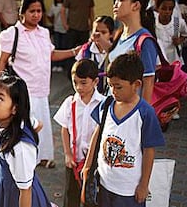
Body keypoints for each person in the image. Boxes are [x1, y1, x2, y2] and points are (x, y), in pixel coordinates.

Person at [0, 0, 79, 168]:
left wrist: (74, 51)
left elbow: (51, 55)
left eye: (39, 11)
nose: (36, 15)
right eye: (32, 11)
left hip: (41, 89)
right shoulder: (12, 34)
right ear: (22, 13)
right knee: (22, 126)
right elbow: (1, 62)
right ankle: (22, 160)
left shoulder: (44, 33)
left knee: (42, 123)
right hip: (22, 91)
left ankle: (43, 157)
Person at [83, 52, 165, 207]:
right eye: (110, 85)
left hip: (128, 190)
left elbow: (149, 151)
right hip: (103, 183)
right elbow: (97, 134)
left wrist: (143, 185)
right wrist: (88, 166)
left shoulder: (145, 113)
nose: (113, 91)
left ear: (136, 85)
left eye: (119, 87)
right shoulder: (106, 105)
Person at [0, 74, 53, 207]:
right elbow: (38, 124)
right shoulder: (11, 123)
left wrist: (27, 143)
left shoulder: (20, 147)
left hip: (20, 198)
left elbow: (25, 190)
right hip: (7, 188)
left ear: (15, 108)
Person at [53, 59, 105, 207]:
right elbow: (65, 129)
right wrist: (67, 154)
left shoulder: (103, 103)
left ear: (95, 81)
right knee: (71, 197)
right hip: (74, 161)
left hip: (95, 162)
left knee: (92, 197)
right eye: (75, 82)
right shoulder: (70, 102)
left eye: (83, 83)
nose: (78, 87)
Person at [109, 0, 158, 103]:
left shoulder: (144, 40)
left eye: (121, 0)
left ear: (136, 5)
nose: (115, 5)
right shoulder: (120, 34)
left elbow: (149, 81)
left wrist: (143, 115)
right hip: (114, 106)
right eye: (115, 1)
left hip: (131, 110)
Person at [75, 15, 115, 93]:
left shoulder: (115, 52)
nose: (98, 35)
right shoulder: (85, 50)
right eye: (96, 31)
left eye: (103, 32)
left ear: (111, 34)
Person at [61, 0, 95, 64]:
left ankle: (83, 72)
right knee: (71, 52)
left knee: (84, 51)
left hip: (84, 28)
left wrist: (92, 24)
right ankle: (70, 72)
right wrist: (65, 24)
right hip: (72, 28)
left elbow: (91, 11)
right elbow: (63, 10)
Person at [155, 0, 187, 65]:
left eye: (170, 9)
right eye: (164, 8)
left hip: (174, 60)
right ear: (158, 8)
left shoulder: (178, 22)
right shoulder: (153, 23)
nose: (167, 12)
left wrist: (180, 40)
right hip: (158, 60)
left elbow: (185, 34)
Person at [47, 0, 67, 73]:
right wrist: (53, 22)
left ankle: (61, 65)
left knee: (63, 47)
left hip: (65, 29)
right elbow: (49, 15)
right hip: (56, 29)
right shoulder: (53, 5)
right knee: (56, 47)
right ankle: (55, 65)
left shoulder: (66, 5)